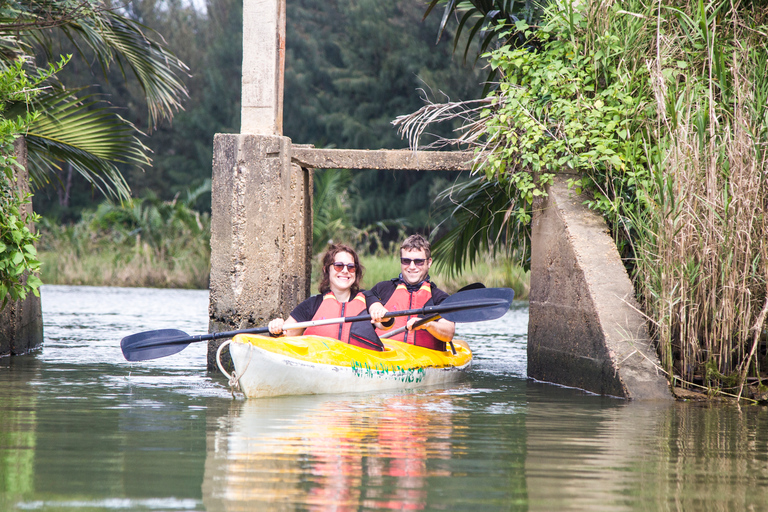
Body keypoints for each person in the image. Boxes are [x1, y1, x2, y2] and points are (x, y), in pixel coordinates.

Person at [268, 243, 383, 351]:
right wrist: (277, 328)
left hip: (360, 365)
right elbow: (287, 333)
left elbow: (384, 323)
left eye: (351, 267)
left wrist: (382, 314)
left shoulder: (367, 297)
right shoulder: (312, 304)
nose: (345, 271)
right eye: (338, 266)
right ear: (326, 269)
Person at [367, 234, 455, 351]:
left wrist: (427, 324)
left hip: (424, 360)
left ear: (429, 262)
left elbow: (449, 332)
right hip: (385, 357)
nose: (412, 267)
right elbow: (366, 297)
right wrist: (376, 307)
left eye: (418, 261)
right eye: (406, 261)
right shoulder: (382, 289)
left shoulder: (440, 298)